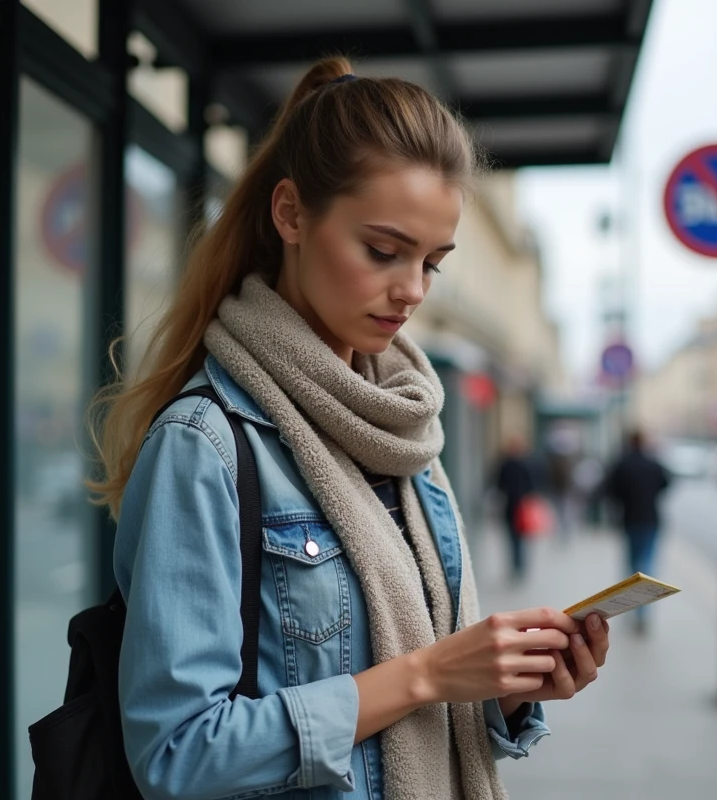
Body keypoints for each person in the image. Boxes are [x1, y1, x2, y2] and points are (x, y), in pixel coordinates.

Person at [89, 58, 610, 800]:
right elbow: (178, 754)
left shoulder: (404, 429)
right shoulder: (205, 442)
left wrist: (505, 691)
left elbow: (413, 716)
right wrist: (427, 673)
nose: (412, 290)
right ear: (292, 214)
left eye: (433, 261)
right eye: (383, 251)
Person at [603, 430, 671, 634]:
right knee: (647, 564)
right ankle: (643, 611)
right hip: (651, 519)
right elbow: (666, 483)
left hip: (630, 519)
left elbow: (611, 490)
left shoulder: (622, 464)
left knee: (632, 565)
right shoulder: (653, 464)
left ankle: (631, 606)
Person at [495, 434, 536, 582]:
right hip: (519, 506)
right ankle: (519, 566)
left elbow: (499, 484)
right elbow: (532, 486)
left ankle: (517, 566)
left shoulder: (506, 464)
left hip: (513, 506)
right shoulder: (525, 463)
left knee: (514, 539)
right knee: (518, 539)